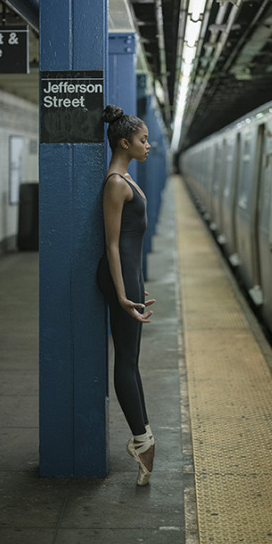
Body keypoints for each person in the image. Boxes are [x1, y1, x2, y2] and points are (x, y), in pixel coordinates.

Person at [97, 104, 156, 485]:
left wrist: (135, 283)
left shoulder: (127, 179)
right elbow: (114, 244)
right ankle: (141, 438)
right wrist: (121, 293)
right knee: (126, 362)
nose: (148, 146)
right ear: (124, 142)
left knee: (131, 360)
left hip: (130, 278)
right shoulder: (116, 183)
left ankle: (143, 437)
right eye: (142, 140)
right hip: (119, 279)